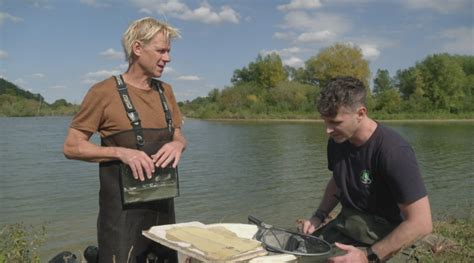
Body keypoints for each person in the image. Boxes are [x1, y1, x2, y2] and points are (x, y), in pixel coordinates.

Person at [63, 17, 187, 263]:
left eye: (169, 51)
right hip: (121, 221)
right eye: (161, 50)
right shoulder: (103, 92)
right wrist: (121, 153)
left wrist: (178, 144)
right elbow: (71, 146)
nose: (167, 58)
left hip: (164, 214)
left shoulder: (167, 92)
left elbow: (178, 134)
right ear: (137, 49)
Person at [299, 76, 432, 262]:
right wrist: (318, 216)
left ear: (360, 113)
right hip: (350, 222)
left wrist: (367, 257)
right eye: (325, 121)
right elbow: (338, 181)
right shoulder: (337, 140)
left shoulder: (393, 151)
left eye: (335, 122)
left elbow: (422, 223)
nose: (327, 130)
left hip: (389, 232)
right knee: (298, 252)